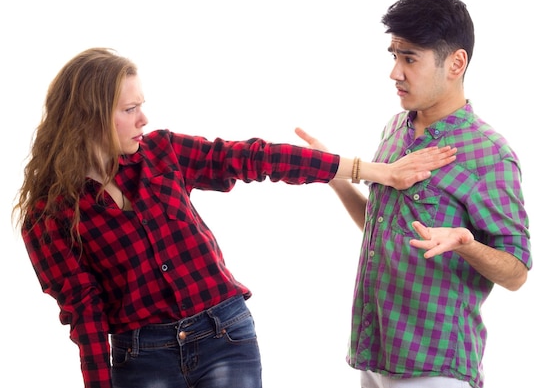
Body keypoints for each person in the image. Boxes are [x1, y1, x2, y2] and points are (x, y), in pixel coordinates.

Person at [12, 47, 457, 388]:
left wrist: (372, 171)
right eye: (129, 110)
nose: (144, 119)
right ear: (89, 117)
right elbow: (85, 314)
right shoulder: (48, 216)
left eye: (141, 105)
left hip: (223, 335)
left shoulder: (162, 153)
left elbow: (254, 158)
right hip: (142, 358)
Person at [296, 0, 532, 388]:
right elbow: (382, 224)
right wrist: (336, 178)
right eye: (394, 55)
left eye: (409, 58)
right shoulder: (395, 129)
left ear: (456, 63)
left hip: (434, 367)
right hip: (375, 353)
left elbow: (516, 273)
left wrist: (468, 244)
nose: (395, 72)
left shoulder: (489, 154)